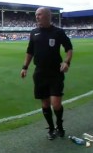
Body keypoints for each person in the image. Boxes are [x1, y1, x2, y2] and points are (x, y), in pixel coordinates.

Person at [20, 7, 73, 140]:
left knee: (55, 103)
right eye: (36, 15)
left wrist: (66, 62)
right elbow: (30, 51)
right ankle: (51, 128)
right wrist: (25, 67)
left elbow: (69, 48)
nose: (37, 17)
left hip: (55, 72)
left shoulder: (58, 32)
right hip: (40, 73)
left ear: (48, 16)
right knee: (44, 104)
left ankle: (59, 125)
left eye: (39, 14)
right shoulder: (34, 33)